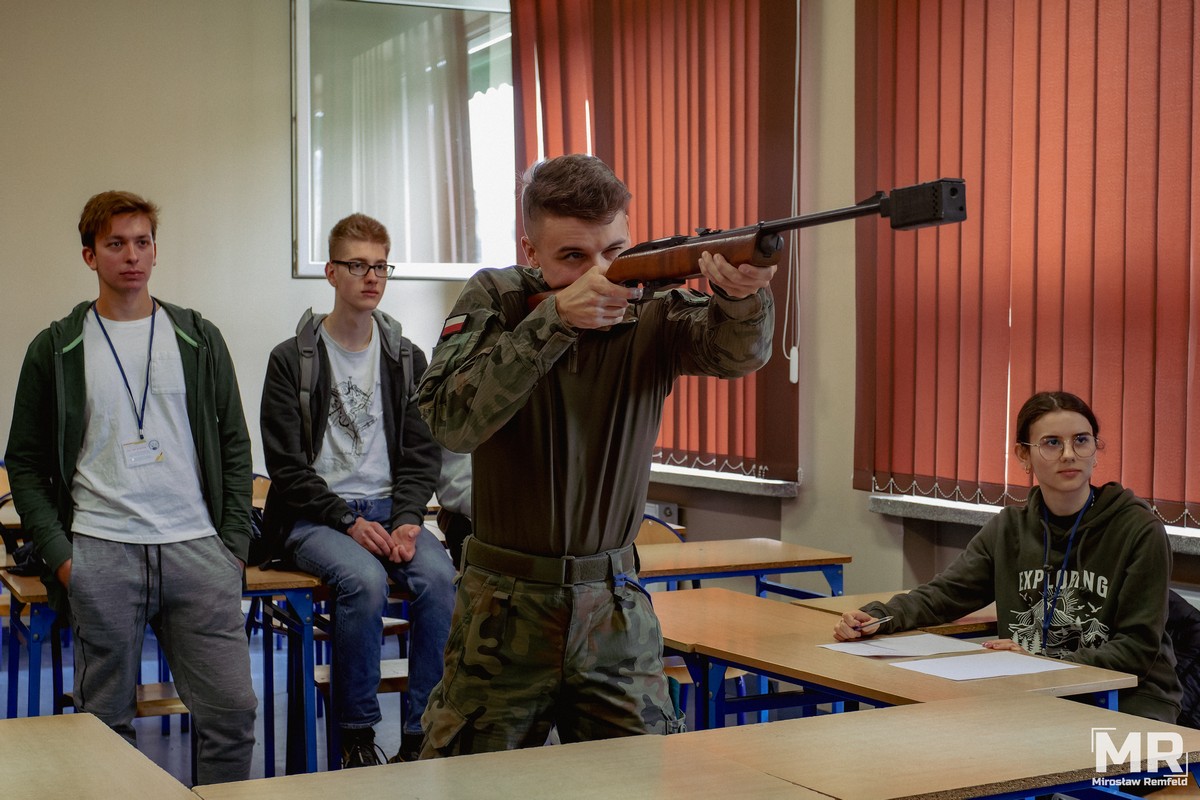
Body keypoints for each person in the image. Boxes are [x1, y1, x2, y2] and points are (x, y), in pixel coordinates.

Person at [416, 153, 777, 755]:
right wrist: (554, 320)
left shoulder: (651, 303)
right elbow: (450, 420)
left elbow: (736, 354)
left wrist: (741, 299)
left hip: (614, 607)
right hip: (502, 608)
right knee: (473, 782)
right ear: (530, 250)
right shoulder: (500, 298)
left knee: (641, 778)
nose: (601, 274)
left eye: (614, 251)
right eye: (573, 257)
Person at [4, 191, 258, 782]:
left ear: (155, 250)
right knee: (103, 727)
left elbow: (235, 443)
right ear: (90, 256)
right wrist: (64, 558)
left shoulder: (198, 337)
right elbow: (25, 462)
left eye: (142, 242)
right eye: (116, 244)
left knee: (232, 713)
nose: (132, 256)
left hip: (198, 551)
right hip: (102, 550)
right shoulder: (56, 347)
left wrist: (232, 549)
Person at [834, 390, 1183, 723]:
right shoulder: (1009, 530)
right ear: (1023, 455)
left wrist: (1038, 663)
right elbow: (945, 595)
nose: (1068, 454)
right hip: (1031, 691)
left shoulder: (1139, 530)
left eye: (1081, 440)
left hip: (1129, 699)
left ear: (1095, 450)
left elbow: (1135, 650)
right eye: (1051, 442)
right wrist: (878, 617)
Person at [260, 212, 455, 767]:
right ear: (331, 272)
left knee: (441, 581)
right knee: (364, 581)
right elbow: (286, 467)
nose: (371, 277)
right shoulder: (291, 359)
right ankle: (357, 736)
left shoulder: (406, 359)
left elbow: (422, 453)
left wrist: (409, 518)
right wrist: (348, 521)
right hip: (316, 516)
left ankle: (421, 734)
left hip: (391, 510)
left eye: (381, 266)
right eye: (357, 265)